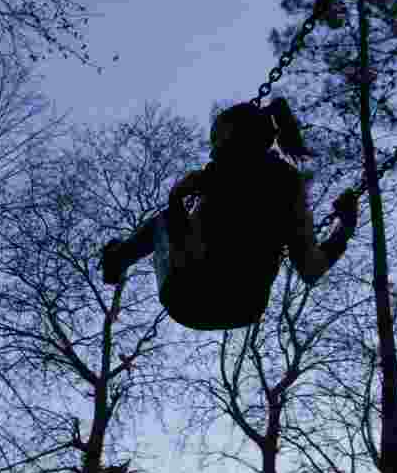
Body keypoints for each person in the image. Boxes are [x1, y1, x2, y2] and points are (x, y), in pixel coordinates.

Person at [100, 98, 358, 329]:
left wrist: (178, 196)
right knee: (179, 224)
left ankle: (119, 257)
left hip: (188, 295)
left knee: (165, 221)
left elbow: (179, 226)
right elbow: (311, 269)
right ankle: (119, 257)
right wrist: (345, 225)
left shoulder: (217, 174)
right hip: (243, 309)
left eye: (215, 142)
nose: (211, 153)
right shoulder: (289, 185)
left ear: (230, 138)